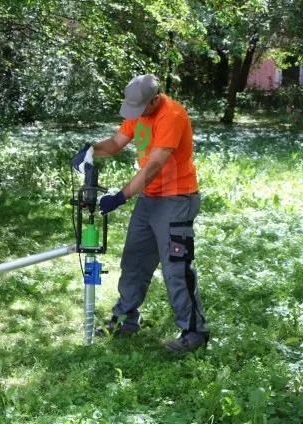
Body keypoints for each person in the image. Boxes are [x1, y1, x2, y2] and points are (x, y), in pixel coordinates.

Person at [72, 74, 209, 353]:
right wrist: (90, 151)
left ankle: (194, 333)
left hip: (176, 198)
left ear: (155, 99)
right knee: (134, 260)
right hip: (150, 198)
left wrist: (121, 196)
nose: (135, 115)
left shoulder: (171, 115)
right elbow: (114, 144)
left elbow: (154, 165)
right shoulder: (138, 111)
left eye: (141, 109)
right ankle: (125, 320)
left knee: (176, 267)